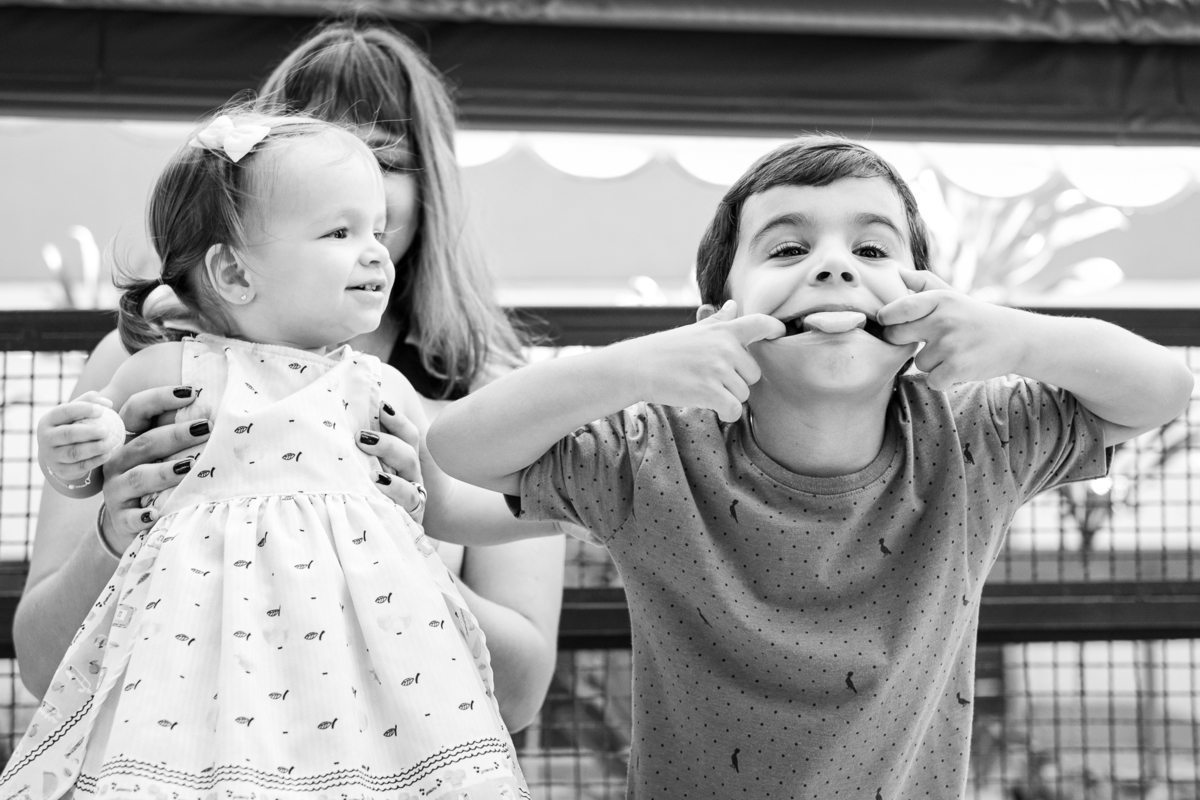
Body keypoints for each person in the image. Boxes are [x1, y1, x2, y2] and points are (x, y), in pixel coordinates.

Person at [426, 136, 1195, 798]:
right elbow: (461, 450)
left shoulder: (976, 437)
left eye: (872, 250)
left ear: (926, 306)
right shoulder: (652, 452)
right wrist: (637, 366)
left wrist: (1018, 338)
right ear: (715, 322)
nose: (833, 267)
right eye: (788, 249)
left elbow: (1163, 389)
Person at [15, 20, 563, 734]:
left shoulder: (478, 392)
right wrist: (109, 527)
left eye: (380, 158)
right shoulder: (148, 360)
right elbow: (42, 665)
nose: (344, 174)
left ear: (428, 186)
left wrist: (397, 544)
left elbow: (518, 696)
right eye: (308, 147)